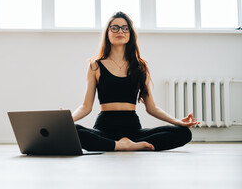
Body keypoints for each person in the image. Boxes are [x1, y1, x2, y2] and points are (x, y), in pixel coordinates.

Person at [62, 11, 199, 151]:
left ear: (130, 34)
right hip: (105, 129)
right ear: (107, 33)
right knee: (71, 131)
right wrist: (67, 120)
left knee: (184, 133)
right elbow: (86, 106)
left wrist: (177, 121)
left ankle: (118, 145)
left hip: (133, 130)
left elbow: (152, 107)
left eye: (125, 28)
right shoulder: (95, 65)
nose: (120, 31)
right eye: (114, 27)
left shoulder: (140, 66)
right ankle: (121, 146)